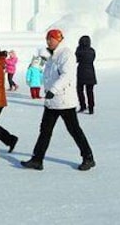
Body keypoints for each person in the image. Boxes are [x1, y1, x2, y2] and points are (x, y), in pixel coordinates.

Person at [21, 29, 95, 171]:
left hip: (64, 100)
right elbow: (48, 74)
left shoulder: (66, 54)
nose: (48, 41)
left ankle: (88, 157)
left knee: (74, 130)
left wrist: (53, 90)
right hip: (52, 101)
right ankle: (37, 159)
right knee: (45, 130)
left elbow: (67, 75)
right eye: (47, 39)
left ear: (59, 39)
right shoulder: (52, 55)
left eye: (51, 39)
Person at [76, 35, 97, 114]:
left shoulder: (79, 50)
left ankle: (83, 106)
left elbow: (76, 59)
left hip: (81, 72)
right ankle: (91, 108)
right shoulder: (92, 51)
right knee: (90, 91)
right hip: (91, 72)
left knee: (80, 90)